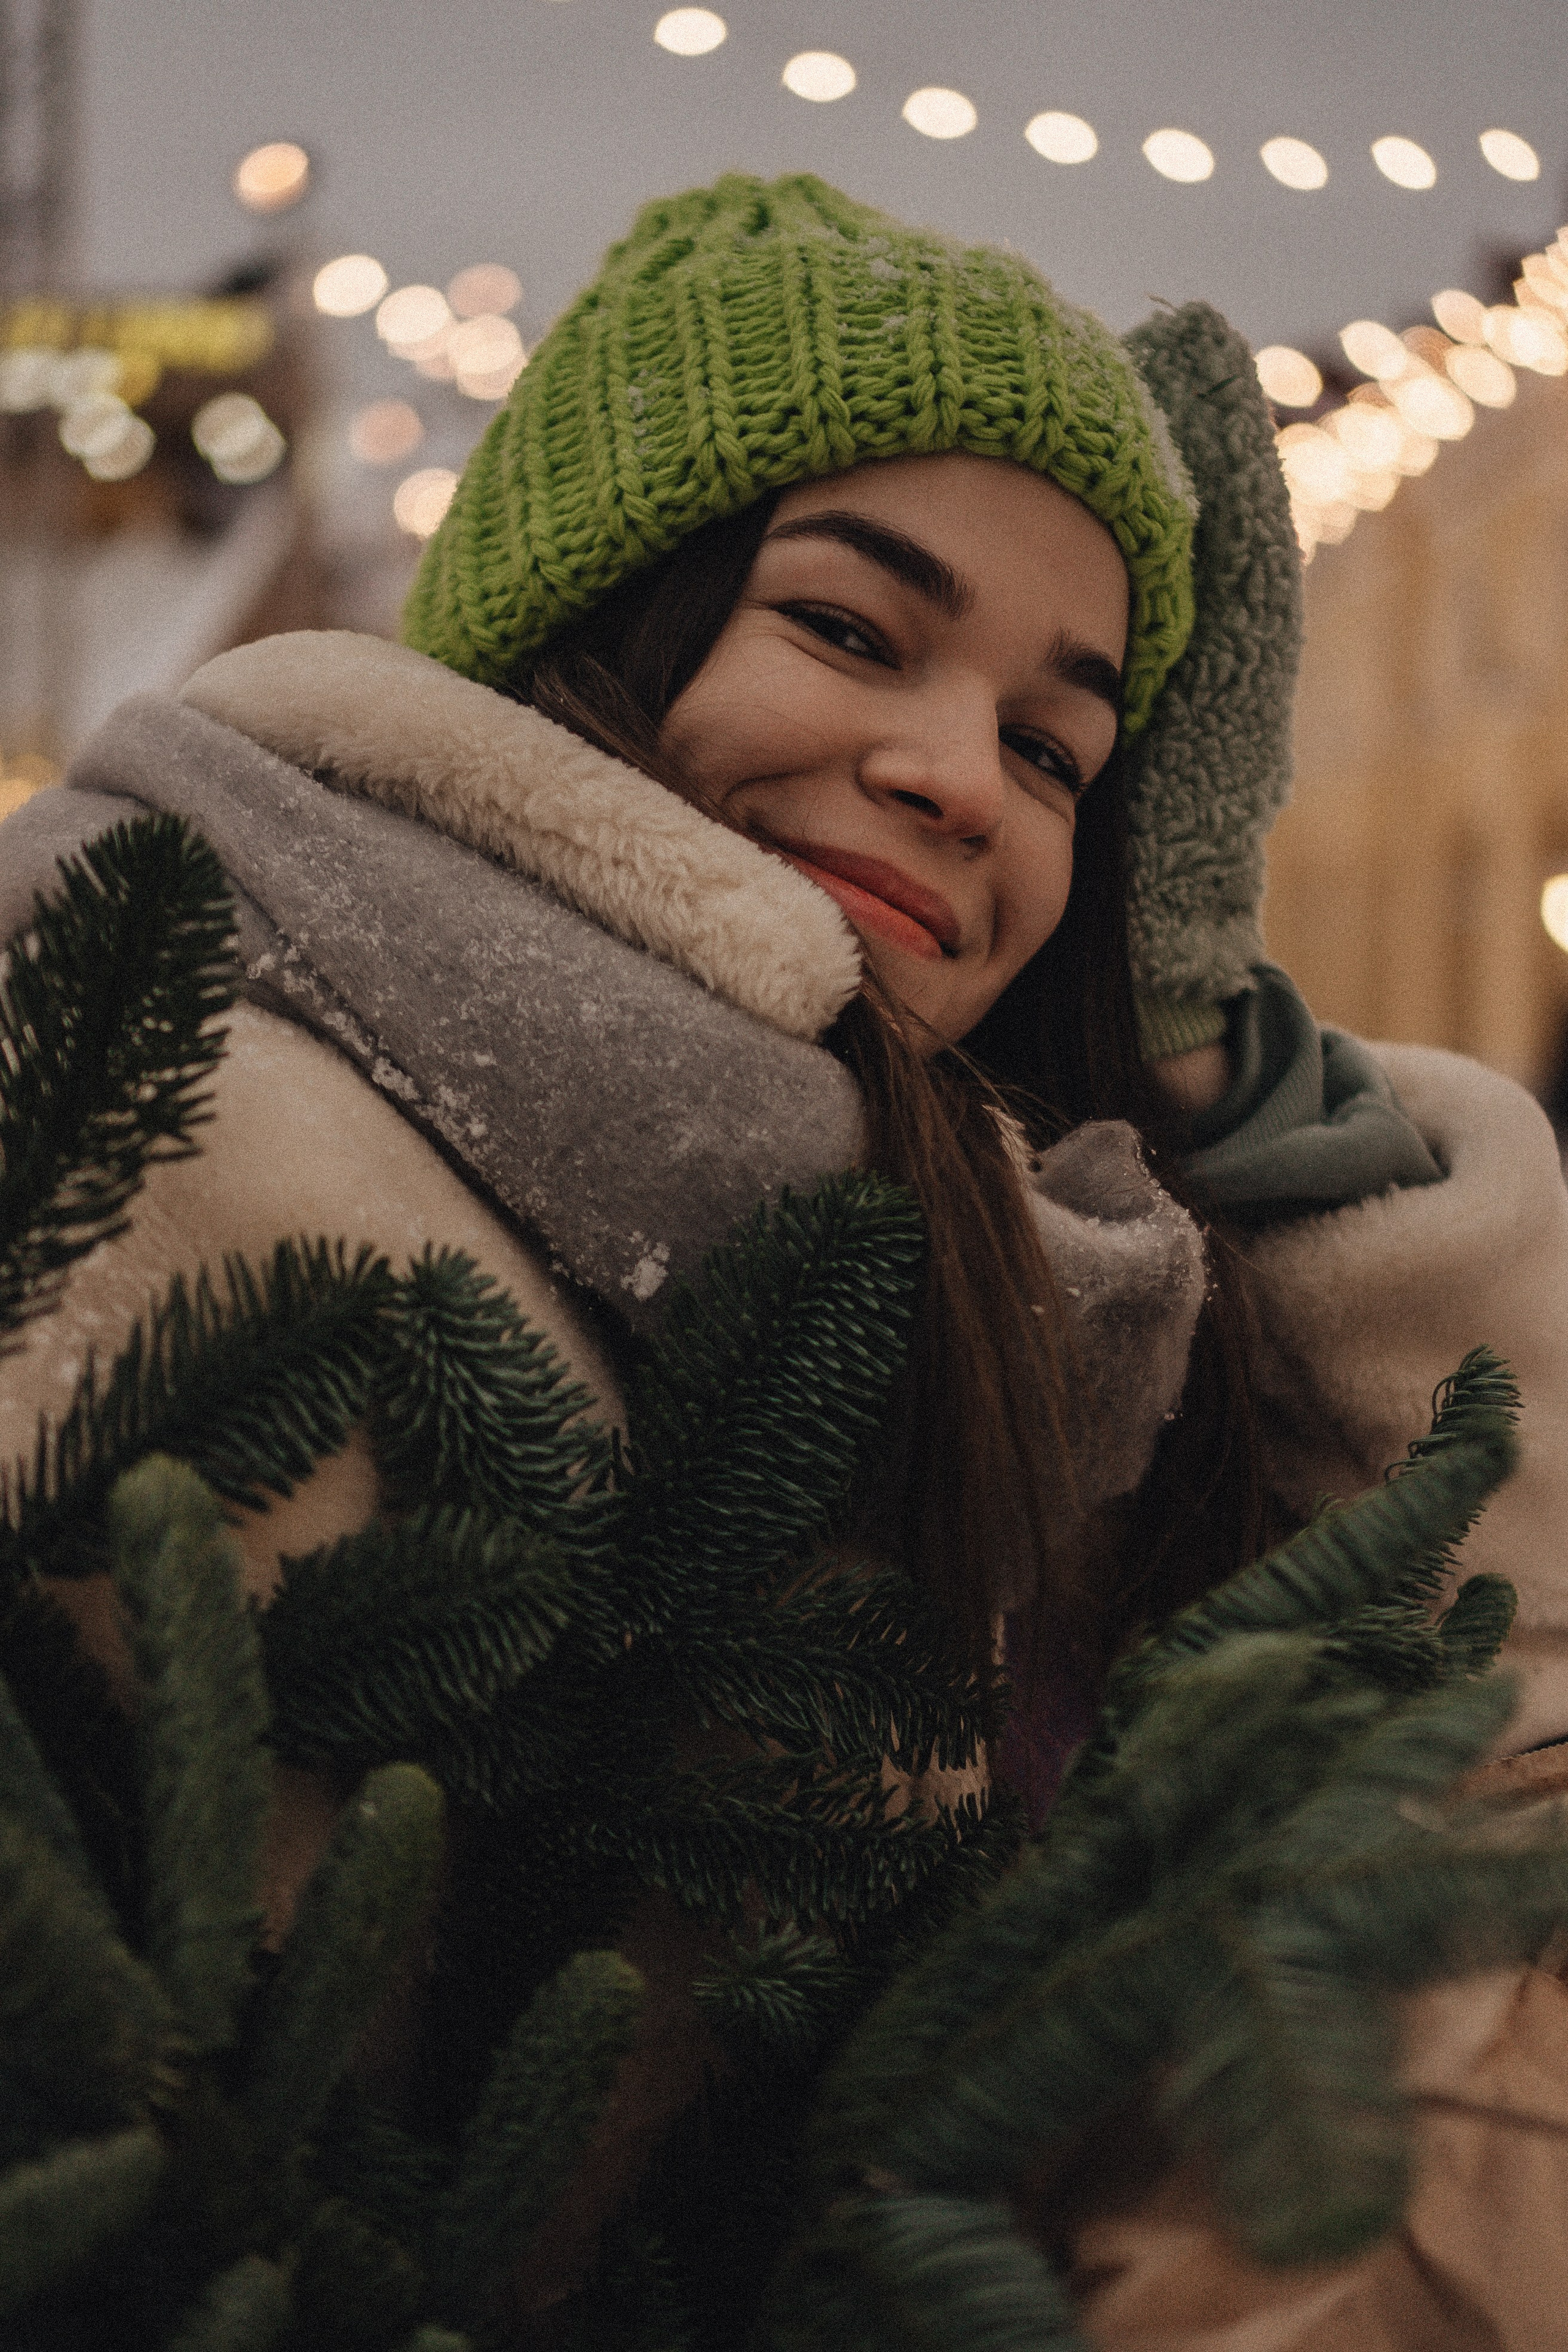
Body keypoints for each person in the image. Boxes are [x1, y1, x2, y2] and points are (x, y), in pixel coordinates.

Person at [6, 172, 1568, 2344]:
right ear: (602, 613)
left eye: (1055, 748)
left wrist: (1208, 1055)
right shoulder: (172, 1112)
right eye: (849, 627)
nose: (961, 781)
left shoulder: (999, 1273)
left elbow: (1465, 1773)